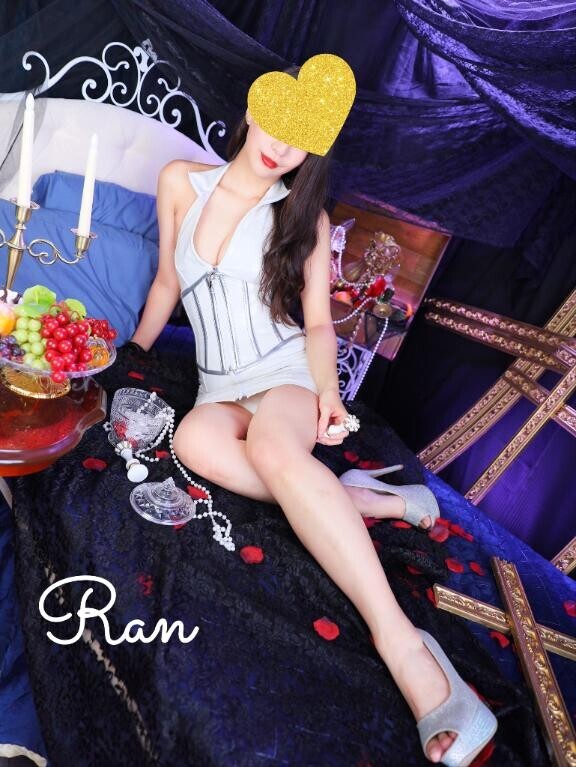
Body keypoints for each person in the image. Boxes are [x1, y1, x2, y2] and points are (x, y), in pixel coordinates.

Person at [129, 55, 497, 766]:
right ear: (253, 108)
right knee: (193, 444)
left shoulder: (302, 218)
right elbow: (168, 281)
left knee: (273, 450)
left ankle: (407, 648)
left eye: (302, 140)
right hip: (216, 386)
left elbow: (320, 325)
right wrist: (132, 359)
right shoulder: (180, 182)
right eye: (278, 124)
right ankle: (356, 496)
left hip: (285, 374)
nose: (282, 147)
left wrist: (327, 393)